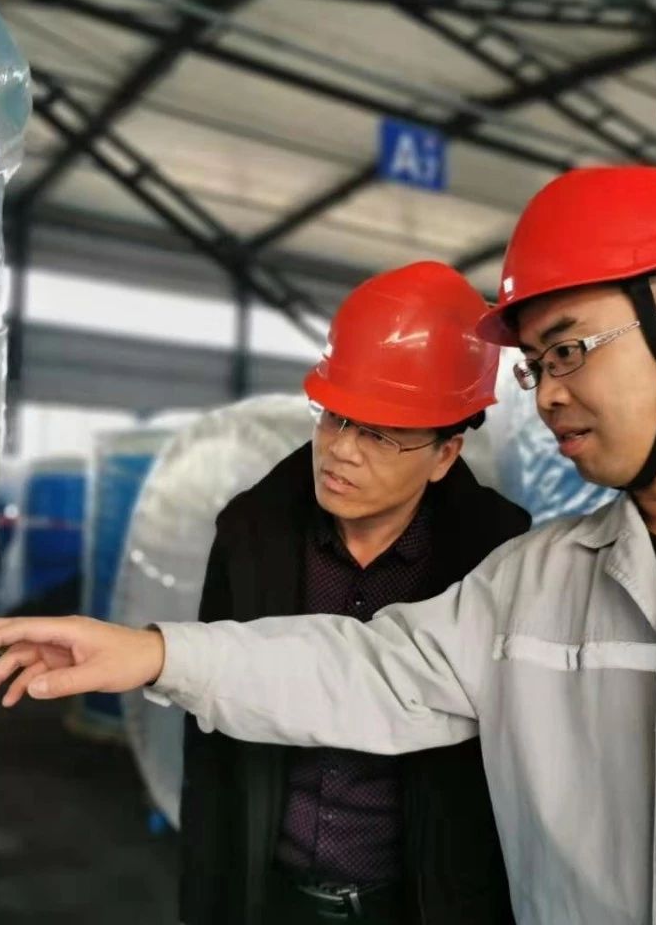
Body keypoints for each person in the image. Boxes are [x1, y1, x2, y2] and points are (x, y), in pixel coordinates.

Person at [0, 166, 656, 925]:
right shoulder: (534, 580)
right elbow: (371, 671)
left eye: (568, 348)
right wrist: (151, 653)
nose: (551, 395)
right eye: (533, 368)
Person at [179, 262, 528, 924]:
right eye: (335, 417)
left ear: (446, 454)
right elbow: (211, 745)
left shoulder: (498, 558)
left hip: (422, 903)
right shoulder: (251, 537)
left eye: (378, 433)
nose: (341, 450)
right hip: (269, 895)